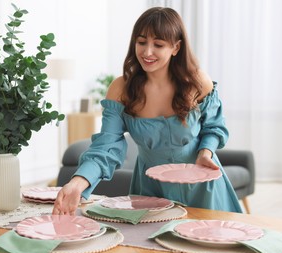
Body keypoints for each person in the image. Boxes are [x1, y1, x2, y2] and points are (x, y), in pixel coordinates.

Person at [52, 7, 242, 215]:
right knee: (149, 246)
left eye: (158, 44)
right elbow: (106, 146)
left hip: (202, 184)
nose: (147, 52)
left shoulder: (197, 82)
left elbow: (214, 127)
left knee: (208, 243)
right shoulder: (120, 90)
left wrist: (206, 152)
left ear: (176, 47)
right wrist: (79, 182)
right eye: (141, 42)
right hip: (151, 189)